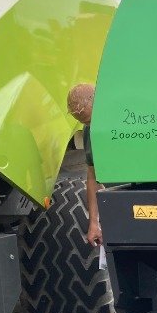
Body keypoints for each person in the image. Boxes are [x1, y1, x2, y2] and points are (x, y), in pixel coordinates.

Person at [67, 84, 103, 247]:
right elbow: (92, 177)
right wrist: (93, 223)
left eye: (90, 119)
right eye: (84, 123)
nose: (89, 125)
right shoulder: (90, 131)